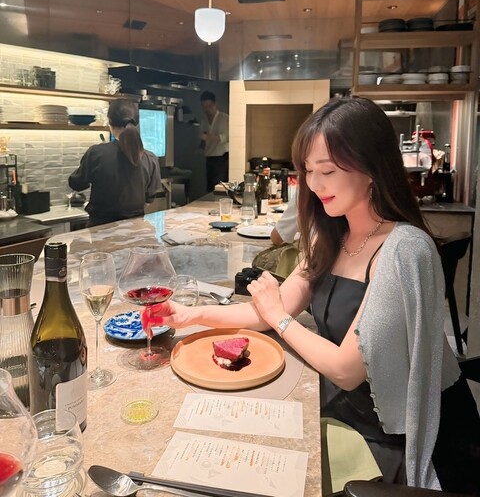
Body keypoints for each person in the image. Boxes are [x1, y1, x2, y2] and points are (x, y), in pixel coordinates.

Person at [142, 96, 480, 493]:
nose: (315, 185)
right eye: (308, 171)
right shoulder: (330, 234)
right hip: (346, 409)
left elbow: (345, 368)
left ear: (372, 167)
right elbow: (265, 311)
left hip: (398, 436)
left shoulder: (404, 250)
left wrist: (279, 318)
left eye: (328, 170)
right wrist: (189, 315)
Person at [68, 99, 161, 227]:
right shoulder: (151, 158)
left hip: (101, 230)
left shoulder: (96, 153)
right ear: (136, 123)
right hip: (136, 230)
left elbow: (76, 183)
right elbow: (150, 198)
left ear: (110, 122)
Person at [200, 90, 229, 192]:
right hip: (209, 157)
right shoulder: (204, 121)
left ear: (215, 104)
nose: (207, 109)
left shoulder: (225, 118)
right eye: (204, 107)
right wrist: (201, 146)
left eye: (209, 106)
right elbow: (203, 140)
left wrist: (207, 137)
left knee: (219, 187)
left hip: (222, 157)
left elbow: (225, 137)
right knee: (210, 187)